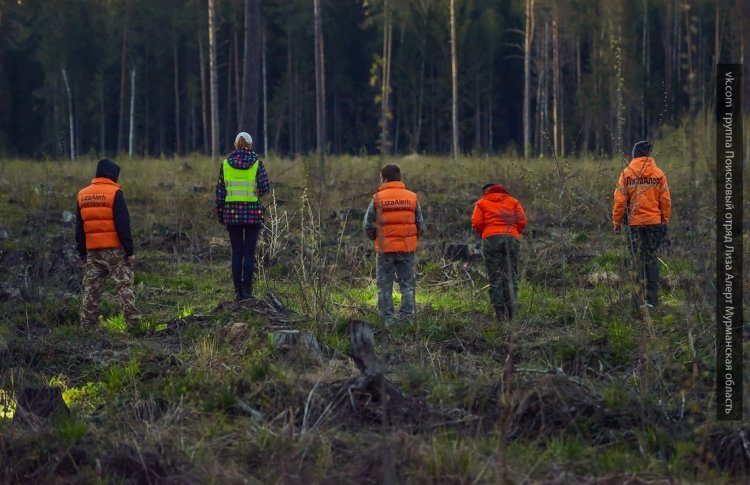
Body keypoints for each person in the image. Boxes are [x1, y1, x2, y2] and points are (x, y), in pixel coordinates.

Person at [76, 158, 140, 328]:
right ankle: (133, 324)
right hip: (115, 251)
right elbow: (123, 225)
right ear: (113, 174)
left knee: (91, 290)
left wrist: (82, 253)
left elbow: (79, 227)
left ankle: (87, 326)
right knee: (124, 286)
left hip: (93, 252)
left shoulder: (82, 195)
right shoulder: (115, 193)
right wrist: (129, 251)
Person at [612, 140, 671, 308]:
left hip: (634, 224)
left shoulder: (626, 174)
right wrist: (664, 220)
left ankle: (637, 301)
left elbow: (619, 202)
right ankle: (652, 301)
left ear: (634, 155)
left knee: (637, 260)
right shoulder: (658, 174)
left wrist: (617, 222)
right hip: (654, 223)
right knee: (651, 258)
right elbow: (665, 200)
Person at [363, 164, 424, 324]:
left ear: (384, 178)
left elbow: (367, 224)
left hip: (385, 250)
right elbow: (420, 224)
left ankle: (387, 321)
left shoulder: (377, 198)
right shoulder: (412, 197)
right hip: (406, 249)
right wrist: (411, 239)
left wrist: (376, 239)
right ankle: (406, 320)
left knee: (384, 287)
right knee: (408, 286)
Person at [215, 132, 270, 301]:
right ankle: (247, 291)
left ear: (235, 144)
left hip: (231, 215)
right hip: (252, 214)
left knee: (236, 252)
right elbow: (265, 188)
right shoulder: (257, 163)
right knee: (249, 252)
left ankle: (237, 292)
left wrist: (221, 214)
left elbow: (220, 192)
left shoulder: (225, 164)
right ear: (250, 145)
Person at [472, 182, 527, 322]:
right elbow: (522, 220)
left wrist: (486, 233)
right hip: (511, 237)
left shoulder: (482, 202)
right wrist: (515, 233)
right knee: (511, 277)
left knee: (495, 278)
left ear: (486, 191)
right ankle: (513, 316)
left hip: (491, 239)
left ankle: (500, 316)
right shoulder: (513, 201)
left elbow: (476, 222)